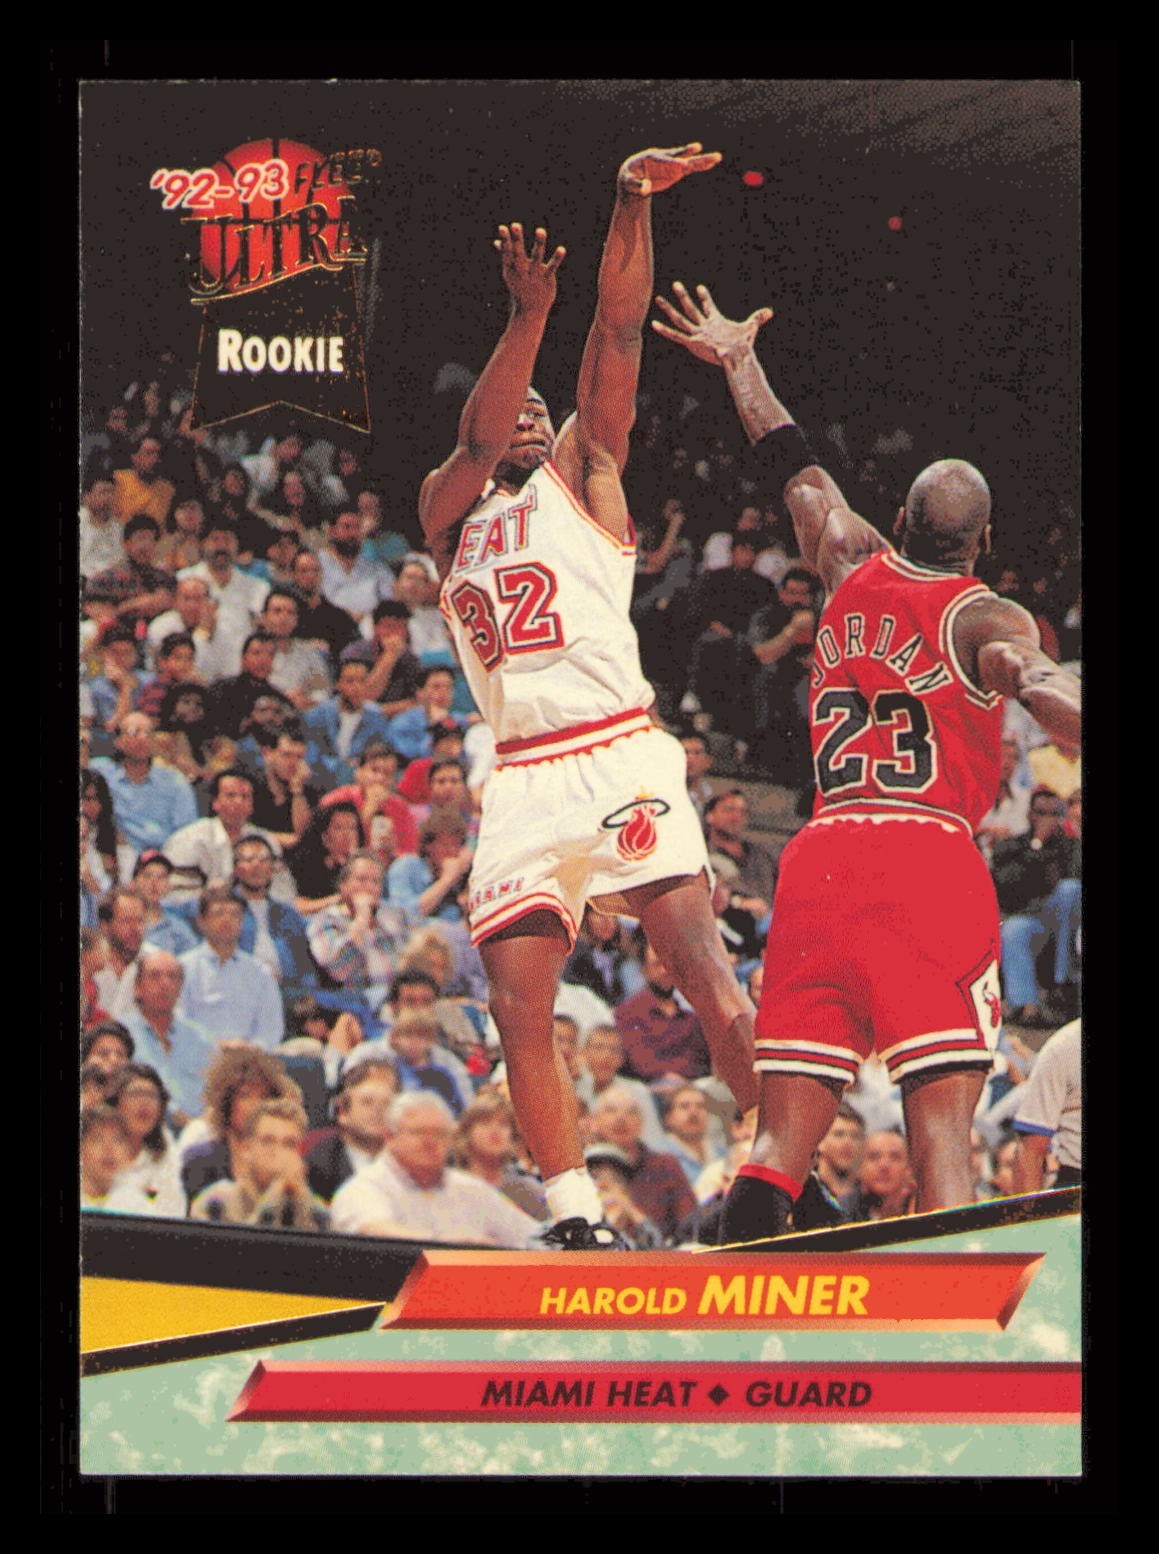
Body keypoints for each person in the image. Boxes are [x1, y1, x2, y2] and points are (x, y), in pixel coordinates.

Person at [651, 278, 1082, 1237]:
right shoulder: (987, 618)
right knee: (942, 1146)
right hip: (924, 858)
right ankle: (940, 1326)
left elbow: (790, 460)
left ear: (899, 516)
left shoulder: (845, 556)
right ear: (984, 542)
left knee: (776, 1145)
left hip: (821, 856)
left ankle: (735, 1309)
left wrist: (738, 360)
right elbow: (1040, 684)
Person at [419, 147, 758, 1249]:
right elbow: (476, 437)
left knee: (698, 964)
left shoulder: (586, 475)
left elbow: (614, 337)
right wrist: (526, 318)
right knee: (518, 1005)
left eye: (538, 412)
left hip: (615, 748)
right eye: (513, 409)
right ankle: (573, 1216)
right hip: (523, 775)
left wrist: (627, 200)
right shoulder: (448, 514)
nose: (527, 420)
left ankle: (778, 1175)